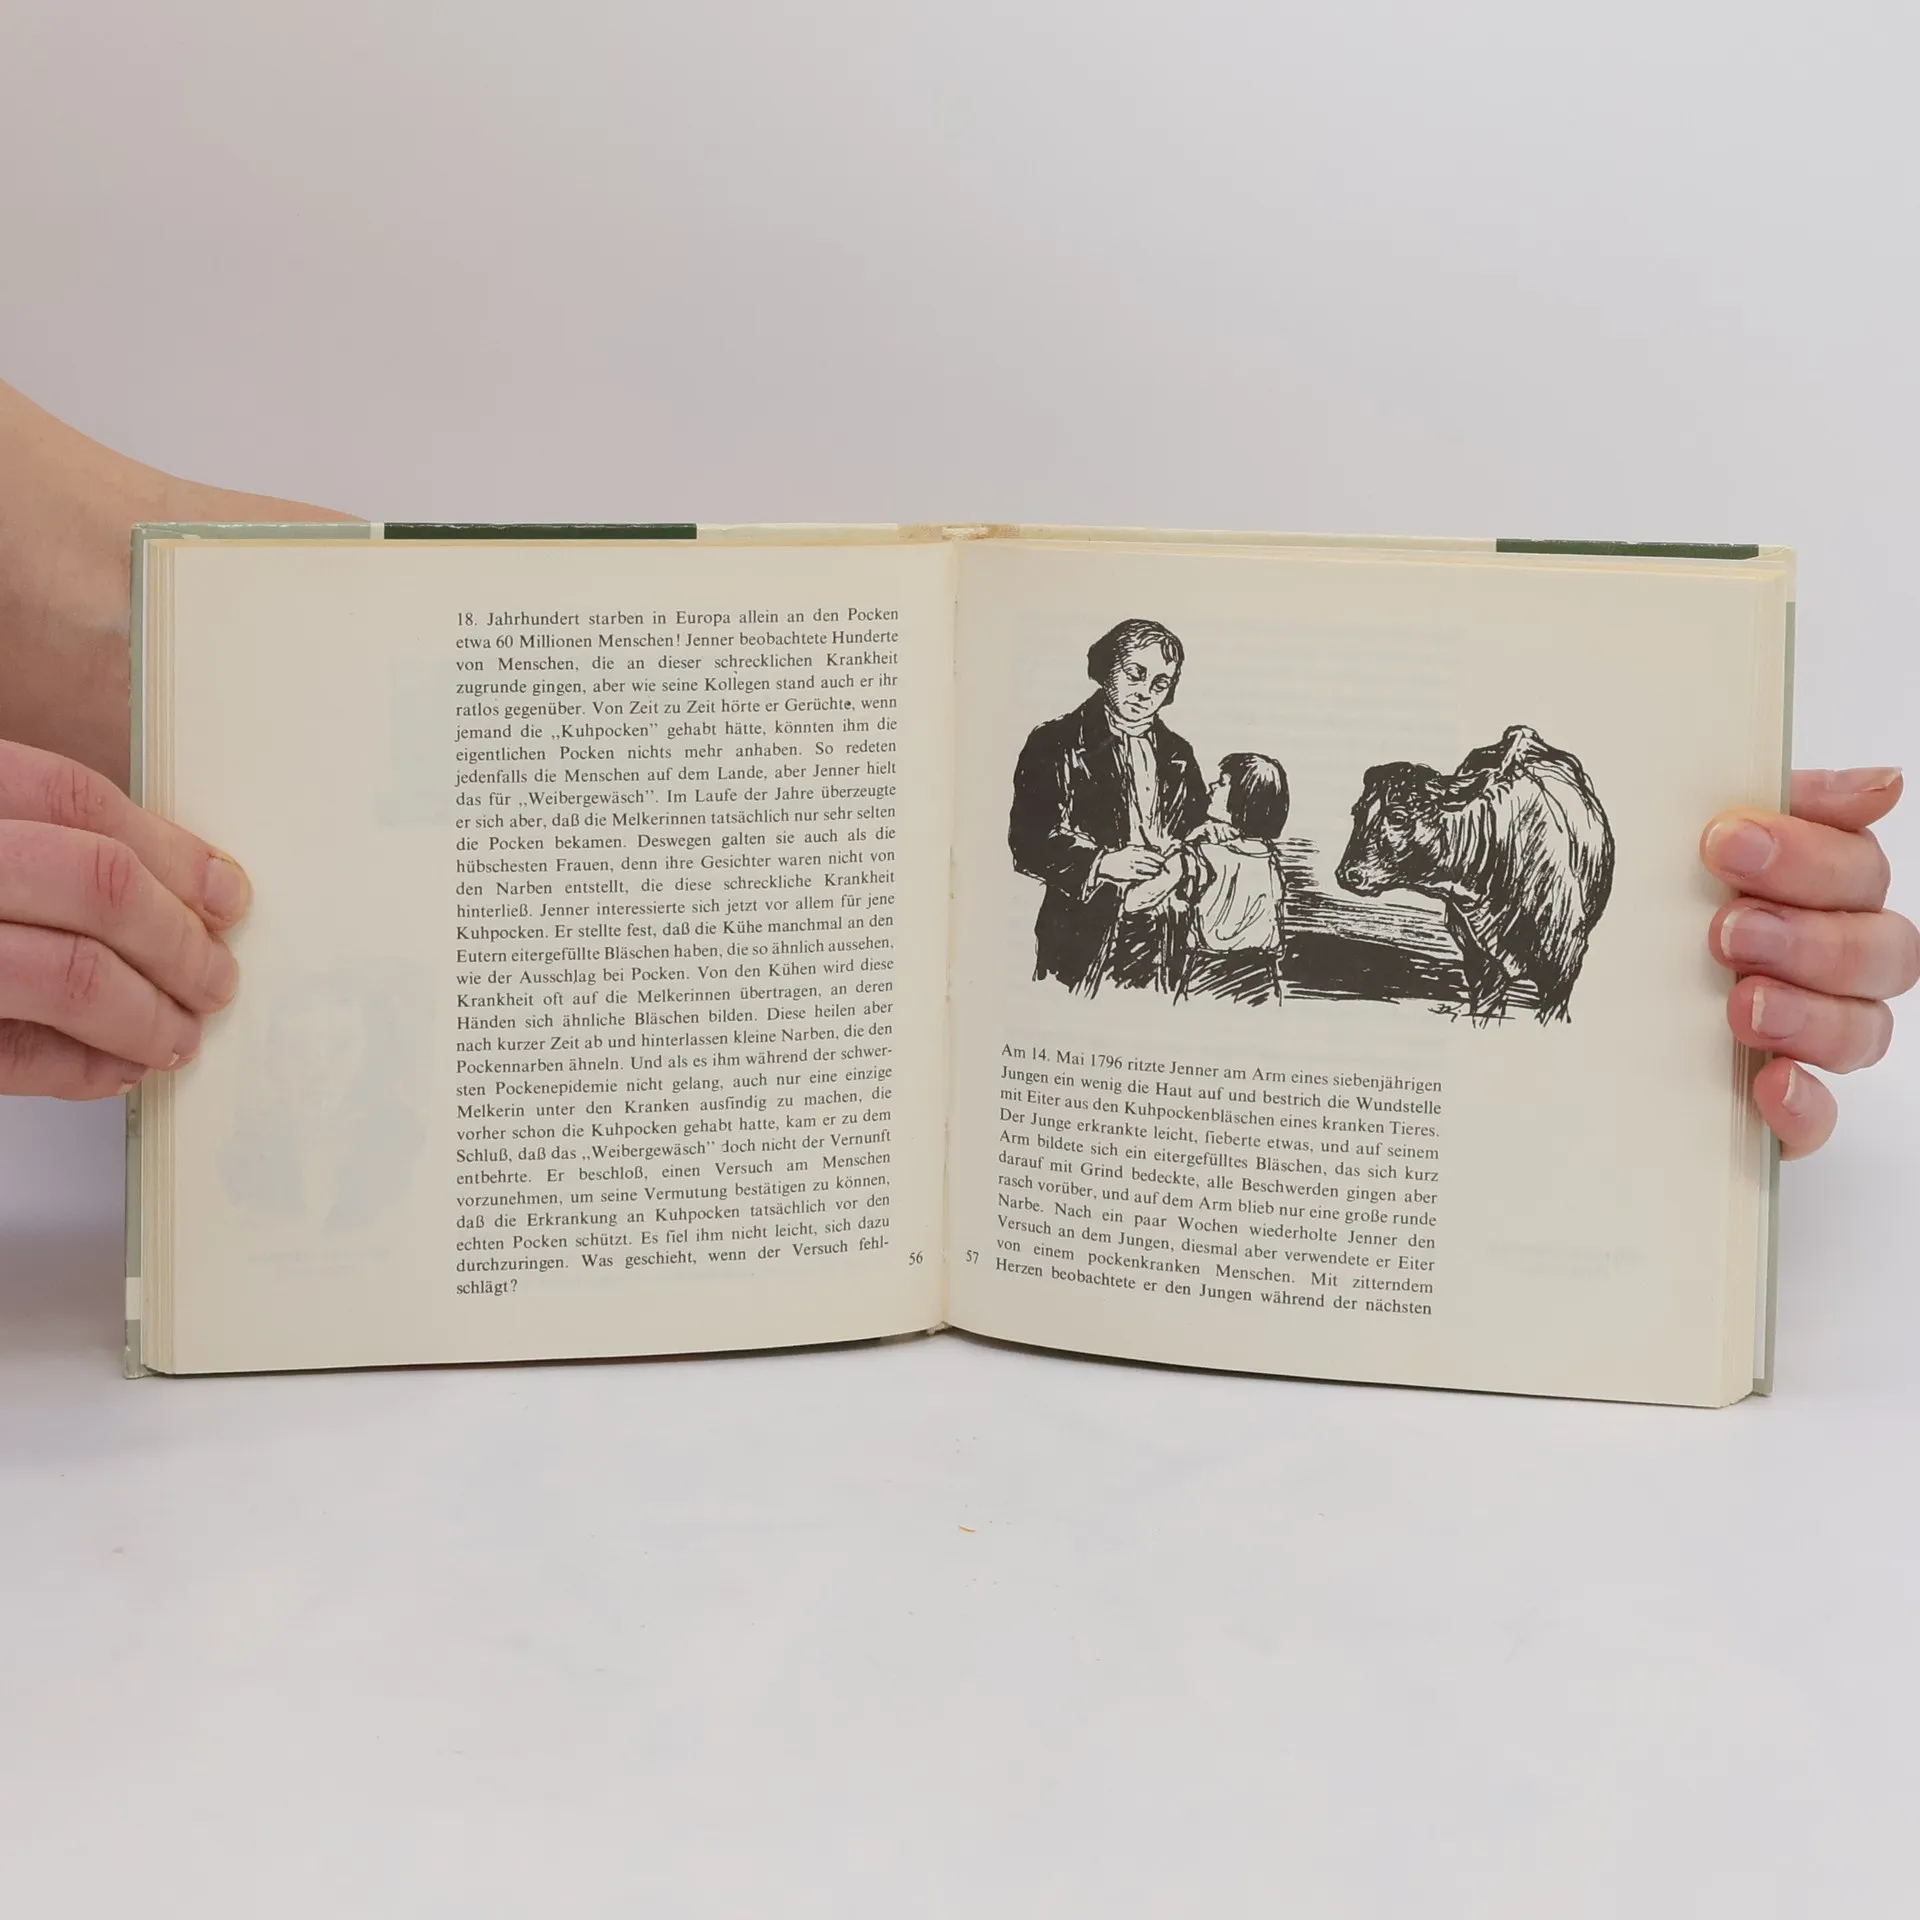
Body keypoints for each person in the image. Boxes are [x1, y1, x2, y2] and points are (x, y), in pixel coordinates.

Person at [0, 375, 1913, 1155]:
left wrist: (1661, 985)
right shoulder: (1068, 751)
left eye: (1167, 672)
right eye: (1137, 668)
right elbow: (1031, 848)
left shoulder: (1200, 765)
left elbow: (123, 612)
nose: (1152, 688)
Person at [1009, 617, 1210, 993]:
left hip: (1165, 933)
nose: (1145, 692)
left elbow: (1196, 829)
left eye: (1160, 683)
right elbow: (1028, 842)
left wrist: (1187, 858)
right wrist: (1102, 863)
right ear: (1106, 669)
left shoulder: (1179, 753)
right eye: (1135, 674)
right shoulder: (1055, 741)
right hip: (1084, 929)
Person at [1122, 752, 1292, 1004]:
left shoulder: (1195, 856)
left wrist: (1183, 844)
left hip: (1207, 975)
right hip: (1262, 977)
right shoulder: (1270, 859)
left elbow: (1134, 902)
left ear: (1242, 799)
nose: (1211, 787)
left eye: (1222, 783)